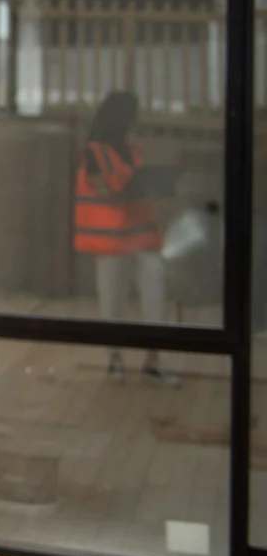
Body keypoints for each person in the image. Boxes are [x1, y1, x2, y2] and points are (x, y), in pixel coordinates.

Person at [73, 90, 179, 387]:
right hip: (111, 241)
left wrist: (153, 187)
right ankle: (114, 359)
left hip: (142, 236)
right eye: (133, 113)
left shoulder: (133, 148)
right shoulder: (94, 152)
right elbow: (103, 190)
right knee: (113, 300)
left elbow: (135, 183)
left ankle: (153, 361)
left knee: (155, 291)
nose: (137, 119)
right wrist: (127, 190)